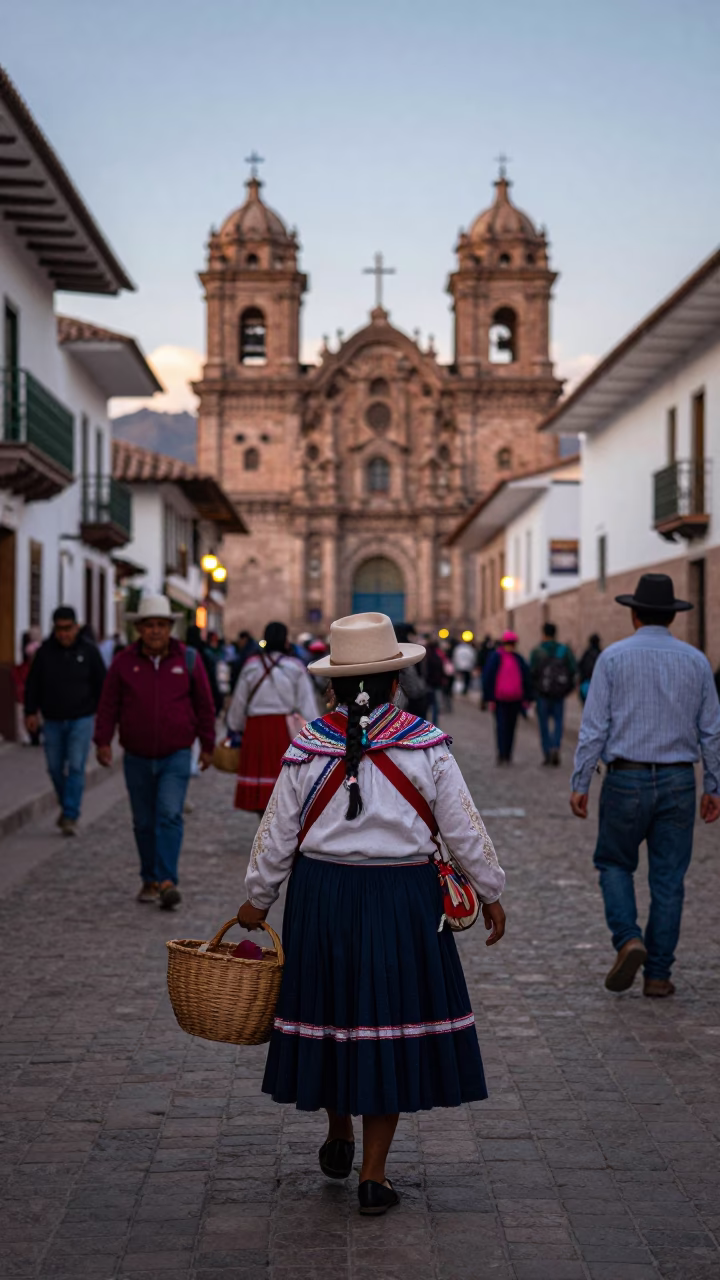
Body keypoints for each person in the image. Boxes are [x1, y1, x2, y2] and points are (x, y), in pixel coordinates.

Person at [236, 611, 506, 1215]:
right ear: (396, 682)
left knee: (334, 1016)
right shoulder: (424, 744)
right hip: (401, 902)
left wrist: (257, 900)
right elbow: (463, 828)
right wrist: (490, 890)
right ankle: (375, 1175)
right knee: (386, 1024)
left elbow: (276, 833)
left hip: (321, 900)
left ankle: (339, 1131)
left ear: (333, 687)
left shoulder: (307, 746)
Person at [570, 574, 720, 998]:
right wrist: (715, 785)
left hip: (626, 779)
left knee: (614, 864)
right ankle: (658, 974)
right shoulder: (696, 661)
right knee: (669, 879)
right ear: (671, 616)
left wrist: (581, 781)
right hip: (678, 781)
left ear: (633, 614)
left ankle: (628, 938)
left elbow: (593, 727)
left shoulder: (612, 659)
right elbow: (712, 732)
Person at [94, 595, 216, 908]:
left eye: (161, 625)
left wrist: (208, 744)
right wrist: (103, 740)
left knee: (170, 814)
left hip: (175, 754)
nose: (155, 631)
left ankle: (166, 880)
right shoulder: (124, 662)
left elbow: (204, 704)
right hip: (135, 755)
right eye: (149, 625)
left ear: (170, 628)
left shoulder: (188, 659)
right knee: (143, 821)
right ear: (139, 628)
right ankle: (149, 878)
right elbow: (108, 704)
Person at [24, 606, 106, 835]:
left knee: (77, 766)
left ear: (76, 627)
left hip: (82, 719)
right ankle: (67, 803)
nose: (63, 634)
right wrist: (30, 712)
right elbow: (33, 684)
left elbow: (103, 684)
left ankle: (70, 815)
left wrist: (105, 719)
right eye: (59, 629)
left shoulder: (89, 652)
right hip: (52, 720)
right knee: (54, 768)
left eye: (68, 629)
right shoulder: (45, 653)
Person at [227, 621, 318, 813]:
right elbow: (306, 703)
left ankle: (264, 824)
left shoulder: (251, 667)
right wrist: (315, 734)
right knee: (283, 786)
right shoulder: (295, 667)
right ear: (286, 641)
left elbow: (239, 702)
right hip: (283, 731)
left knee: (263, 786)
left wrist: (234, 726)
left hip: (255, 730)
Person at [482, 630, 533, 764]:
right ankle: (505, 753)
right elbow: (526, 677)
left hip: (506, 699)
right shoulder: (516, 658)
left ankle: (504, 754)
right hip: (506, 699)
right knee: (508, 727)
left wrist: (487, 697)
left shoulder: (497, 657)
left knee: (504, 727)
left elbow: (488, 677)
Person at [530, 621, 577, 765]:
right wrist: (567, 689)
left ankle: (547, 751)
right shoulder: (564, 650)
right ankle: (556, 746)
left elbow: (531, 673)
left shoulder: (537, 651)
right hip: (559, 694)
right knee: (558, 722)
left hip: (542, 694)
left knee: (543, 724)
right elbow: (573, 670)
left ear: (543, 633)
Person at [578, 633, 602, 704]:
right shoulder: (601, 654)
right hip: (598, 685)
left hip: (586, 684)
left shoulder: (587, 654)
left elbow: (580, 666)